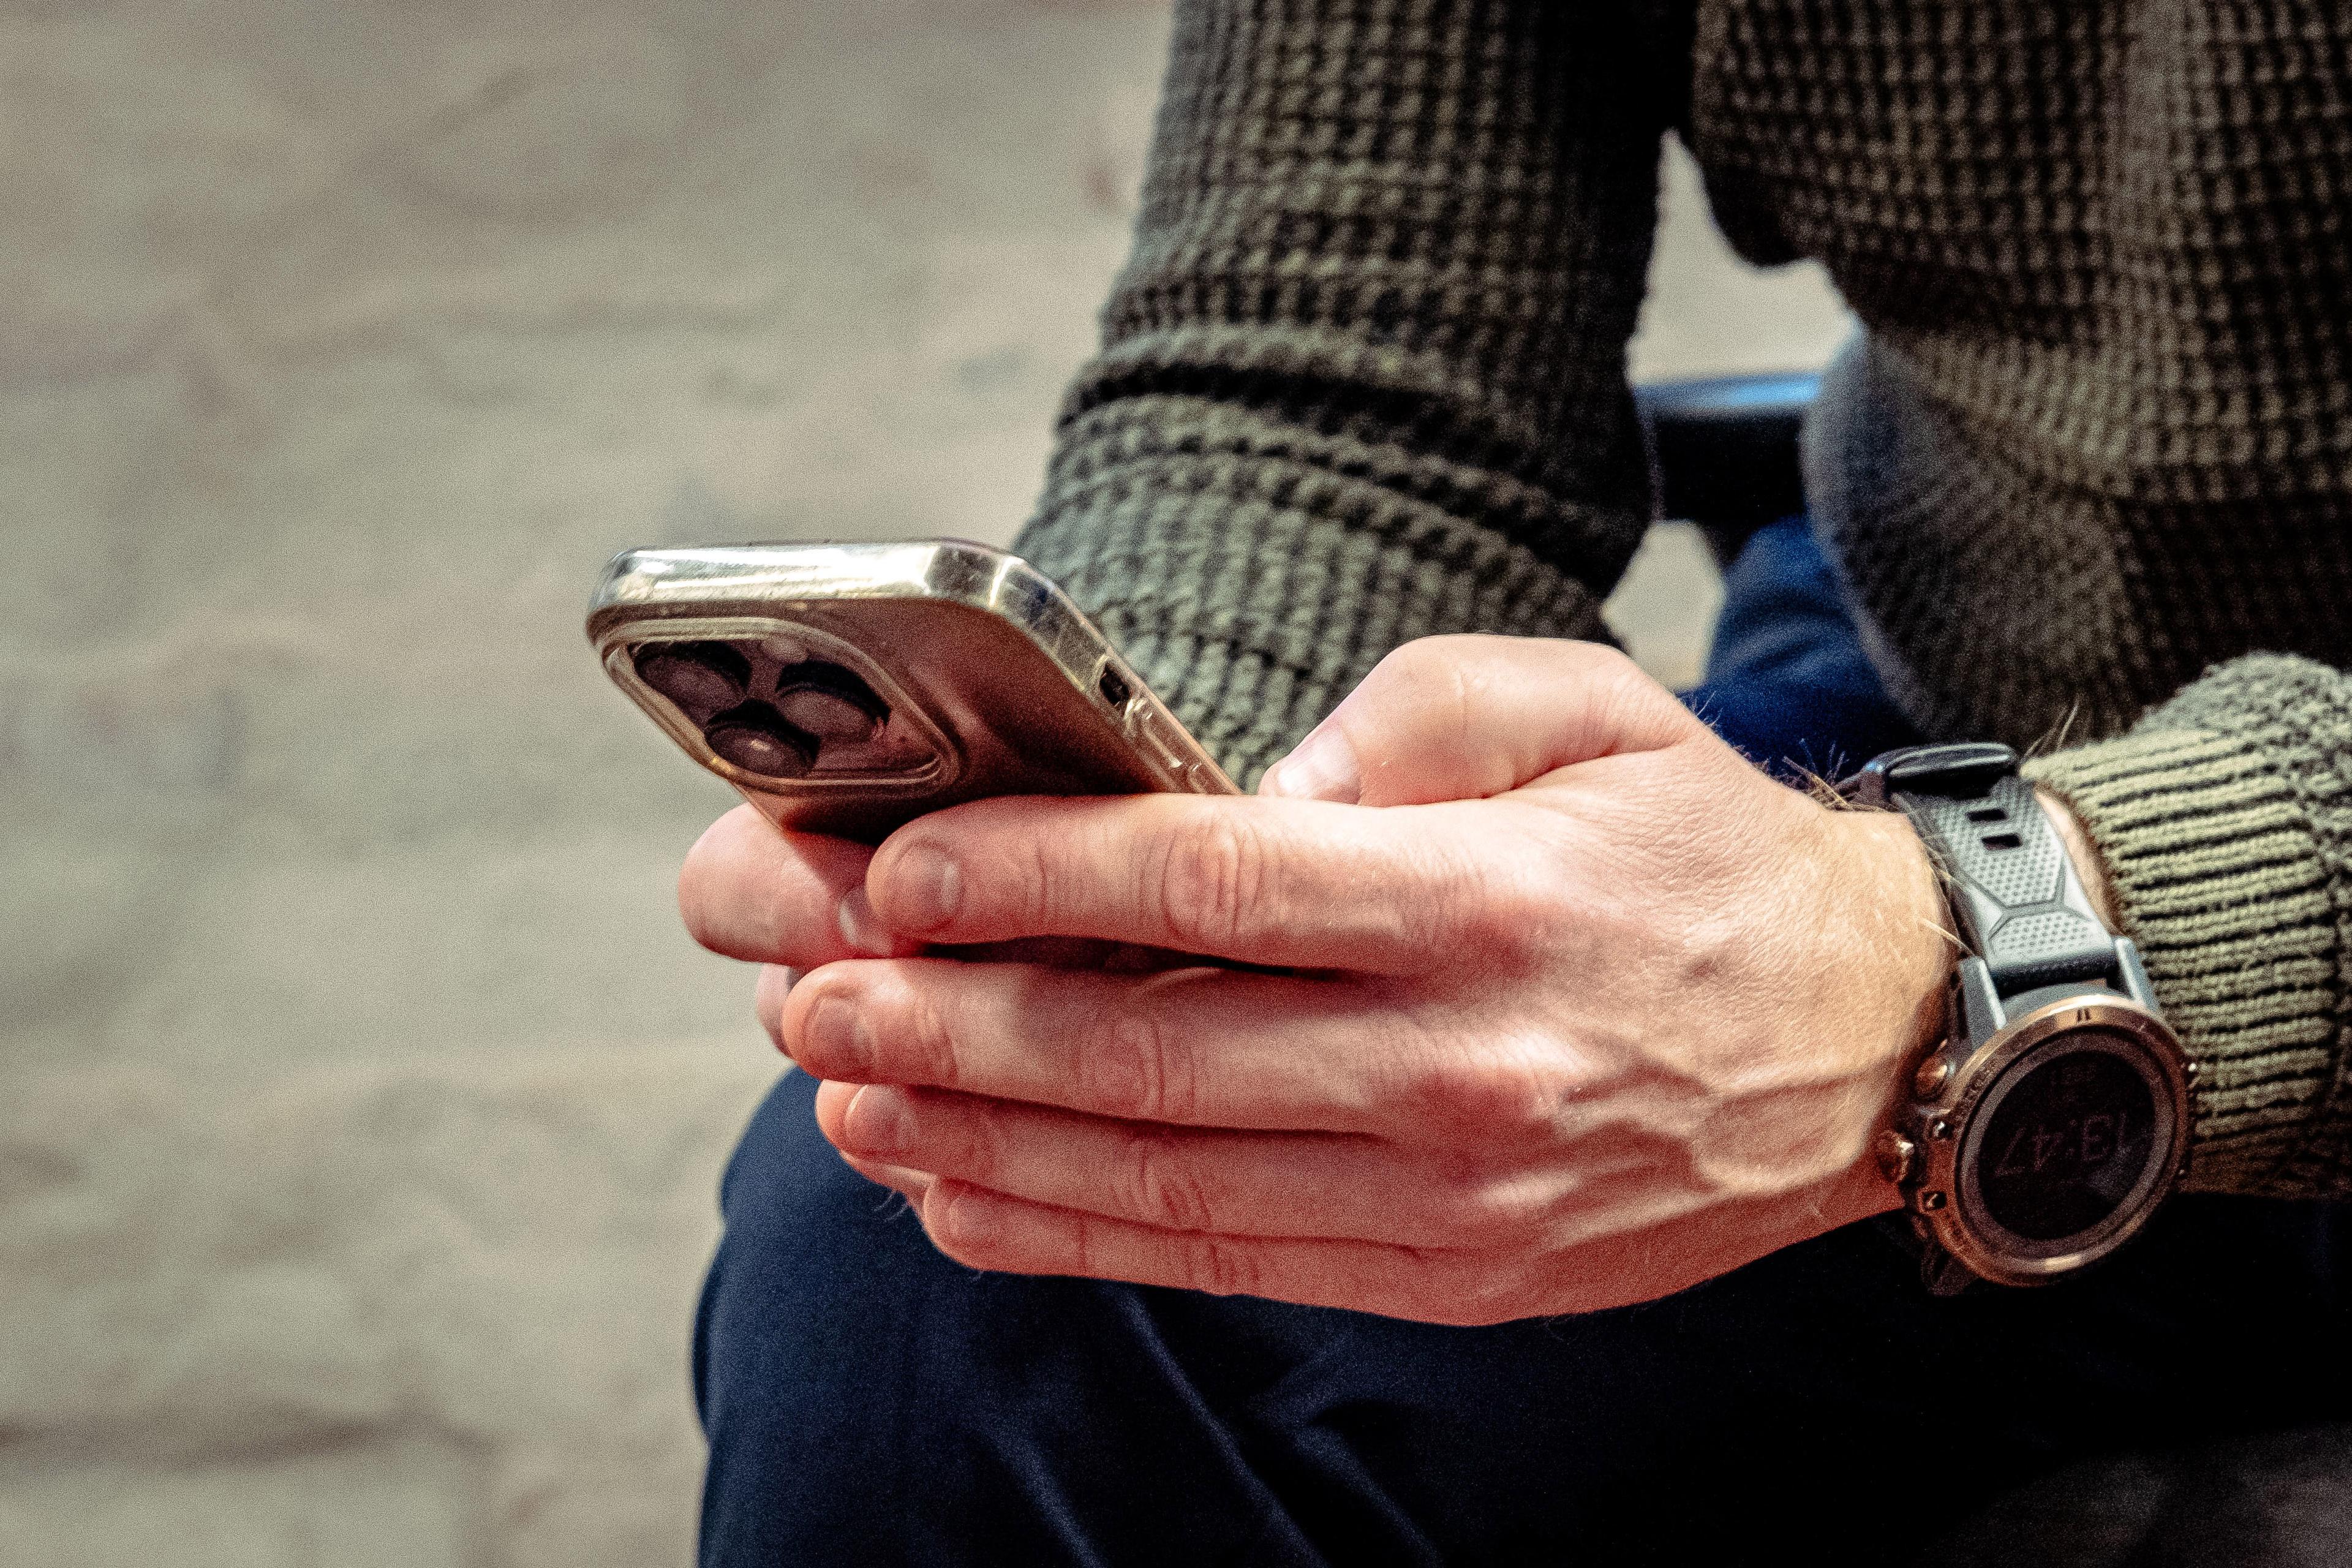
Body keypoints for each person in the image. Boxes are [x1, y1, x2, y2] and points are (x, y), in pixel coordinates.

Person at [677, 2, 2352, 1561]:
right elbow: (1331, 375)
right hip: (1965, 671)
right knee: (935, 1241)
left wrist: (1947, 953)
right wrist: (1172, 837)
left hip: (2191, 865)